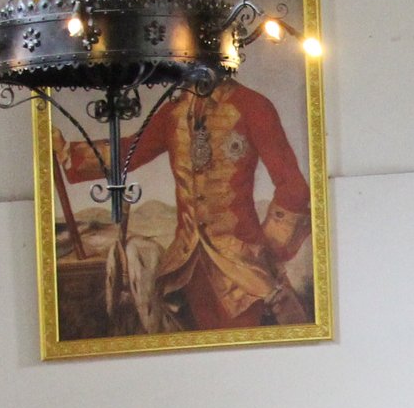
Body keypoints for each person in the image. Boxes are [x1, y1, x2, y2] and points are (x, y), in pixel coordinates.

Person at [57, 76, 313, 332]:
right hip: (185, 268)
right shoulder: (174, 111)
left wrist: (268, 251)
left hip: (243, 272)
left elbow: (295, 189)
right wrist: (67, 152)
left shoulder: (253, 105)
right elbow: (128, 153)